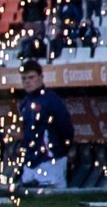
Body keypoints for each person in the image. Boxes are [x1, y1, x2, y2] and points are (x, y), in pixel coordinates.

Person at [10, 60, 74, 190]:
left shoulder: (51, 100)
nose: (27, 81)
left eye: (31, 77)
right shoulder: (25, 103)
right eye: (24, 78)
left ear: (41, 77)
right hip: (30, 160)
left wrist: (60, 150)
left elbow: (66, 128)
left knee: (52, 198)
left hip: (50, 159)